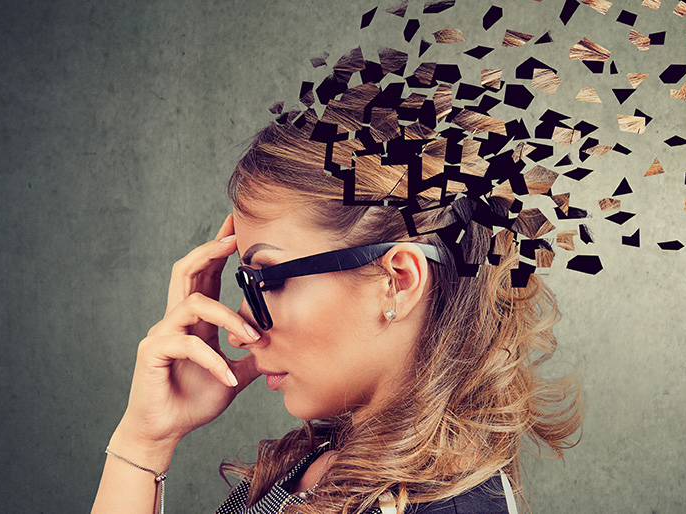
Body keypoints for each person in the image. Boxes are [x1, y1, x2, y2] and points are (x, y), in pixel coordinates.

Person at [91, 108, 584, 513]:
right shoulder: (323, 459)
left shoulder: (443, 506)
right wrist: (146, 440)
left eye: (269, 279)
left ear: (398, 281)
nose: (239, 332)